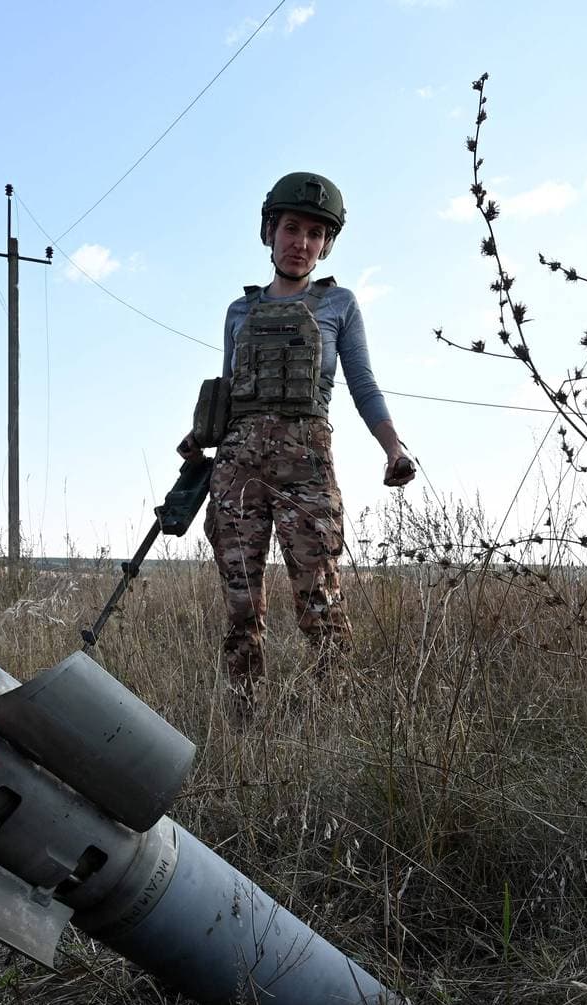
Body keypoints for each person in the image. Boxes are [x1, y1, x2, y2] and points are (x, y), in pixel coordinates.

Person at [178, 171, 416, 704]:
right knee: (240, 603)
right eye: (291, 228)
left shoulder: (340, 305)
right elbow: (230, 389)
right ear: (269, 231)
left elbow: (363, 385)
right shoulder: (239, 311)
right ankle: (244, 717)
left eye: (314, 233)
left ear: (327, 244)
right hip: (237, 469)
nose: (301, 243)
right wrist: (199, 436)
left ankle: (334, 715)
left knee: (320, 601)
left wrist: (393, 448)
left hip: (307, 467)